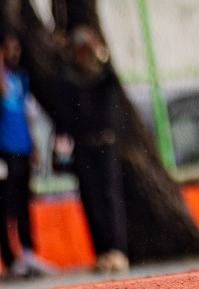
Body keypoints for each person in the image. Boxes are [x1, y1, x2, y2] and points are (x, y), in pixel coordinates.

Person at [60, 28, 127, 274]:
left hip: (105, 144)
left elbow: (112, 77)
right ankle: (102, 252)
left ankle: (117, 251)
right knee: (91, 201)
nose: (84, 56)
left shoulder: (103, 76)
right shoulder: (70, 79)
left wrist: (100, 52)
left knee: (111, 197)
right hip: (83, 146)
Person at [0, 36, 41, 278]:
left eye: (17, 48)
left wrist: (34, 145)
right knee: (6, 206)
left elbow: (27, 113)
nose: (14, 53)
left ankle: (28, 253)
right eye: (8, 49)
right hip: (4, 152)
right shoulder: (3, 80)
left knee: (24, 203)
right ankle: (10, 258)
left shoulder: (20, 78)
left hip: (22, 149)